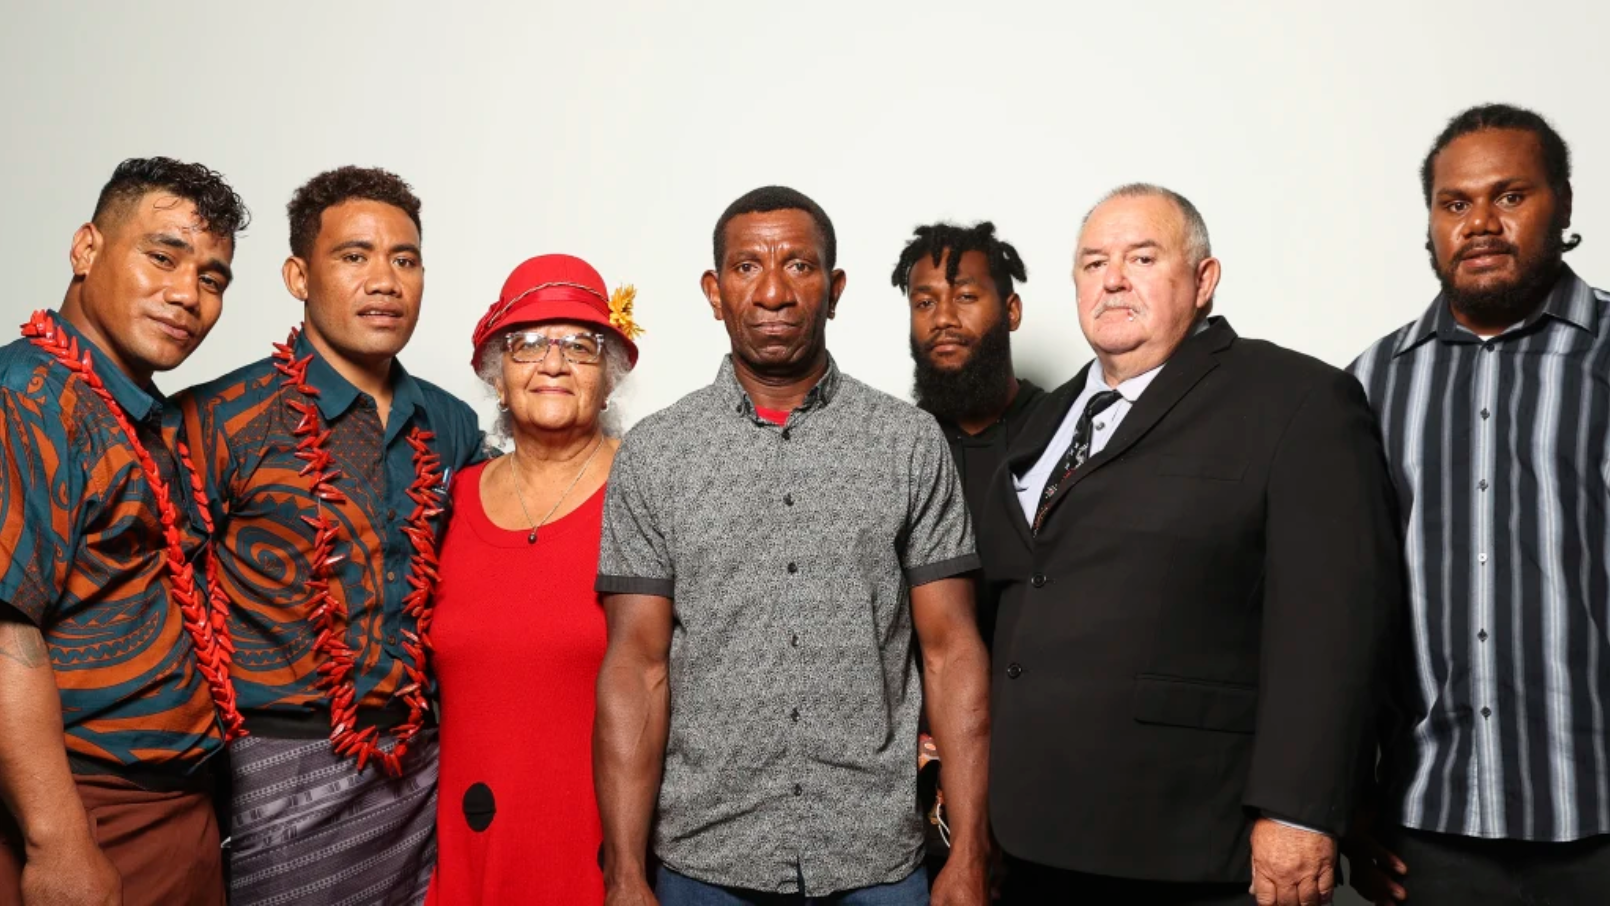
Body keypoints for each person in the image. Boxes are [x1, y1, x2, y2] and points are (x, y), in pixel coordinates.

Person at [979, 183, 1400, 906]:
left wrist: (1300, 810)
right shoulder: (1044, 419)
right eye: (1093, 263)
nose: (1112, 279)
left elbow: (1337, 628)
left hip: (1192, 842)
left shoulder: (1296, 401)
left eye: (1142, 257)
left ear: (1204, 280)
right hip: (1032, 837)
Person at [593, 186, 992, 906]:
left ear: (835, 290)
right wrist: (624, 873)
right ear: (715, 293)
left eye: (799, 267)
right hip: (704, 858)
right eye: (748, 267)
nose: (773, 291)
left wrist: (967, 854)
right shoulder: (656, 455)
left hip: (875, 856)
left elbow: (952, 650)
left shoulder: (907, 443)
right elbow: (636, 666)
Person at [178, 166, 484, 906]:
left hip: (419, 766)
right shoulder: (221, 417)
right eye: (354, 256)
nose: (385, 280)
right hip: (276, 776)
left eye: (404, 260)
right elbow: (162, 589)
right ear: (298, 275)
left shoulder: (452, 424)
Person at [1345, 104, 1610, 906]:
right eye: (1455, 203)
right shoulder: (1368, 383)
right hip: (1430, 826)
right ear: (1430, 224)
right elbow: (1344, 611)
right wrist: (1345, 793)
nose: (1481, 223)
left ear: (1562, 204)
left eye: (1511, 196)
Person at [0, 157, 248, 906]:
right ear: (86, 249)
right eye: (163, 256)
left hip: (175, 812)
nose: (186, 294)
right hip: (88, 810)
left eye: (212, 278)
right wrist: (59, 843)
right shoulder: (31, 399)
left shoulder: (129, 407)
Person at [426, 254, 641, 906]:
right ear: (497, 374)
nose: (553, 363)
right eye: (527, 345)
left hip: (609, 857)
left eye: (580, 345)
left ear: (608, 378)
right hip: (473, 846)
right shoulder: (450, 498)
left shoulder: (647, 493)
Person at [892, 219, 1044, 648]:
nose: (942, 318)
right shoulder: (895, 446)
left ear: (1011, 311)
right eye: (924, 303)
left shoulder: (1064, 429)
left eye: (965, 296)